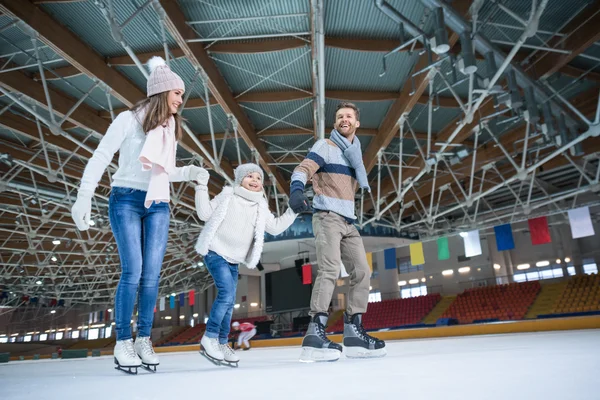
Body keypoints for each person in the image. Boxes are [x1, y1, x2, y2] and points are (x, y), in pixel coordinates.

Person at [71, 57, 208, 374]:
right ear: (163, 91)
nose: (180, 100)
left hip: (158, 202)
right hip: (126, 199)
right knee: (133, 269)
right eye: (177, 93)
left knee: (152, 275)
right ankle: (122, 342)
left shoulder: (170, 126)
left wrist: (191, 171)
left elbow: (167, 171)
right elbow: (102, 155)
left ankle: (144, 338)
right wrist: (84, 196)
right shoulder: (127, 120)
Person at [289, 102, 386, 362]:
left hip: (348, 221)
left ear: (357, 123)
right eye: (340, 116)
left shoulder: (355, 155)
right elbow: (302, 169)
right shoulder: (326, 146)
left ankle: (354, 331)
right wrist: (296, 190)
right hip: (327, 217)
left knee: (362, 271)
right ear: (336, 123)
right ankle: (315, 331)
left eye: (349, 116)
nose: (344, 119)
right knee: (330, 268)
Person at [194, 163, 297, 367]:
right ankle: (209, 337)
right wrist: (201, 186)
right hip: (215, 251)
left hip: (234, 260)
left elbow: (275, 227)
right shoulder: (228, 195)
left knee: (229, 300)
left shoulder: (260, 205)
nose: (254, 180)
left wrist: (293, 211)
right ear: (239, 179)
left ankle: (223, 343)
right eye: (249, 176)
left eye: (258, 178)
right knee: (226, 294)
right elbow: (204, 214)